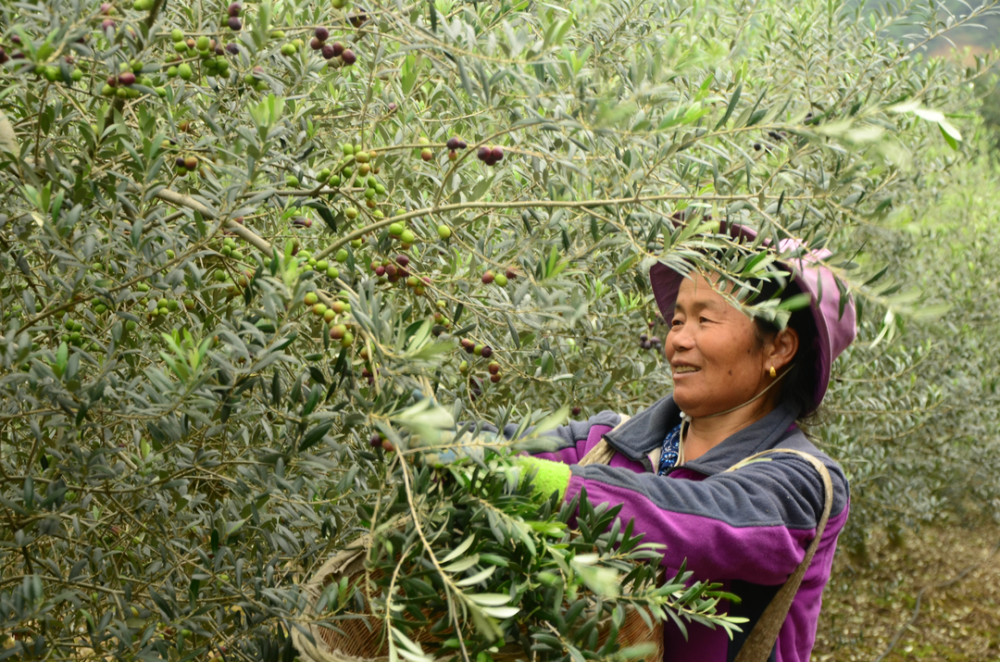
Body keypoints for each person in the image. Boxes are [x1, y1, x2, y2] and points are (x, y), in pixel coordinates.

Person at [509, 225, 856, 662]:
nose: (677, 341)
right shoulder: (611, 442)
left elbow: (705, 522)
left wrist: (556, 486)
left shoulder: (801, 482)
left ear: (778, 348)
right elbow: (508, 445)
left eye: (705, 320)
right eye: (676, 320)